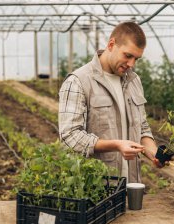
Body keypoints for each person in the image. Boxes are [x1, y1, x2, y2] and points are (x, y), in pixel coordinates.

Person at [59, 22, 159, 183]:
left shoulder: (134, 81)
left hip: (131, 183)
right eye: (128, 56)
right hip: (97, 186)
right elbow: (69, 136)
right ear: (111, 44)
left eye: (136, 59)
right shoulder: (79, 81)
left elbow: (142, 126)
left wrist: (152, 151)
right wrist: (116, 145)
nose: (131, 64)